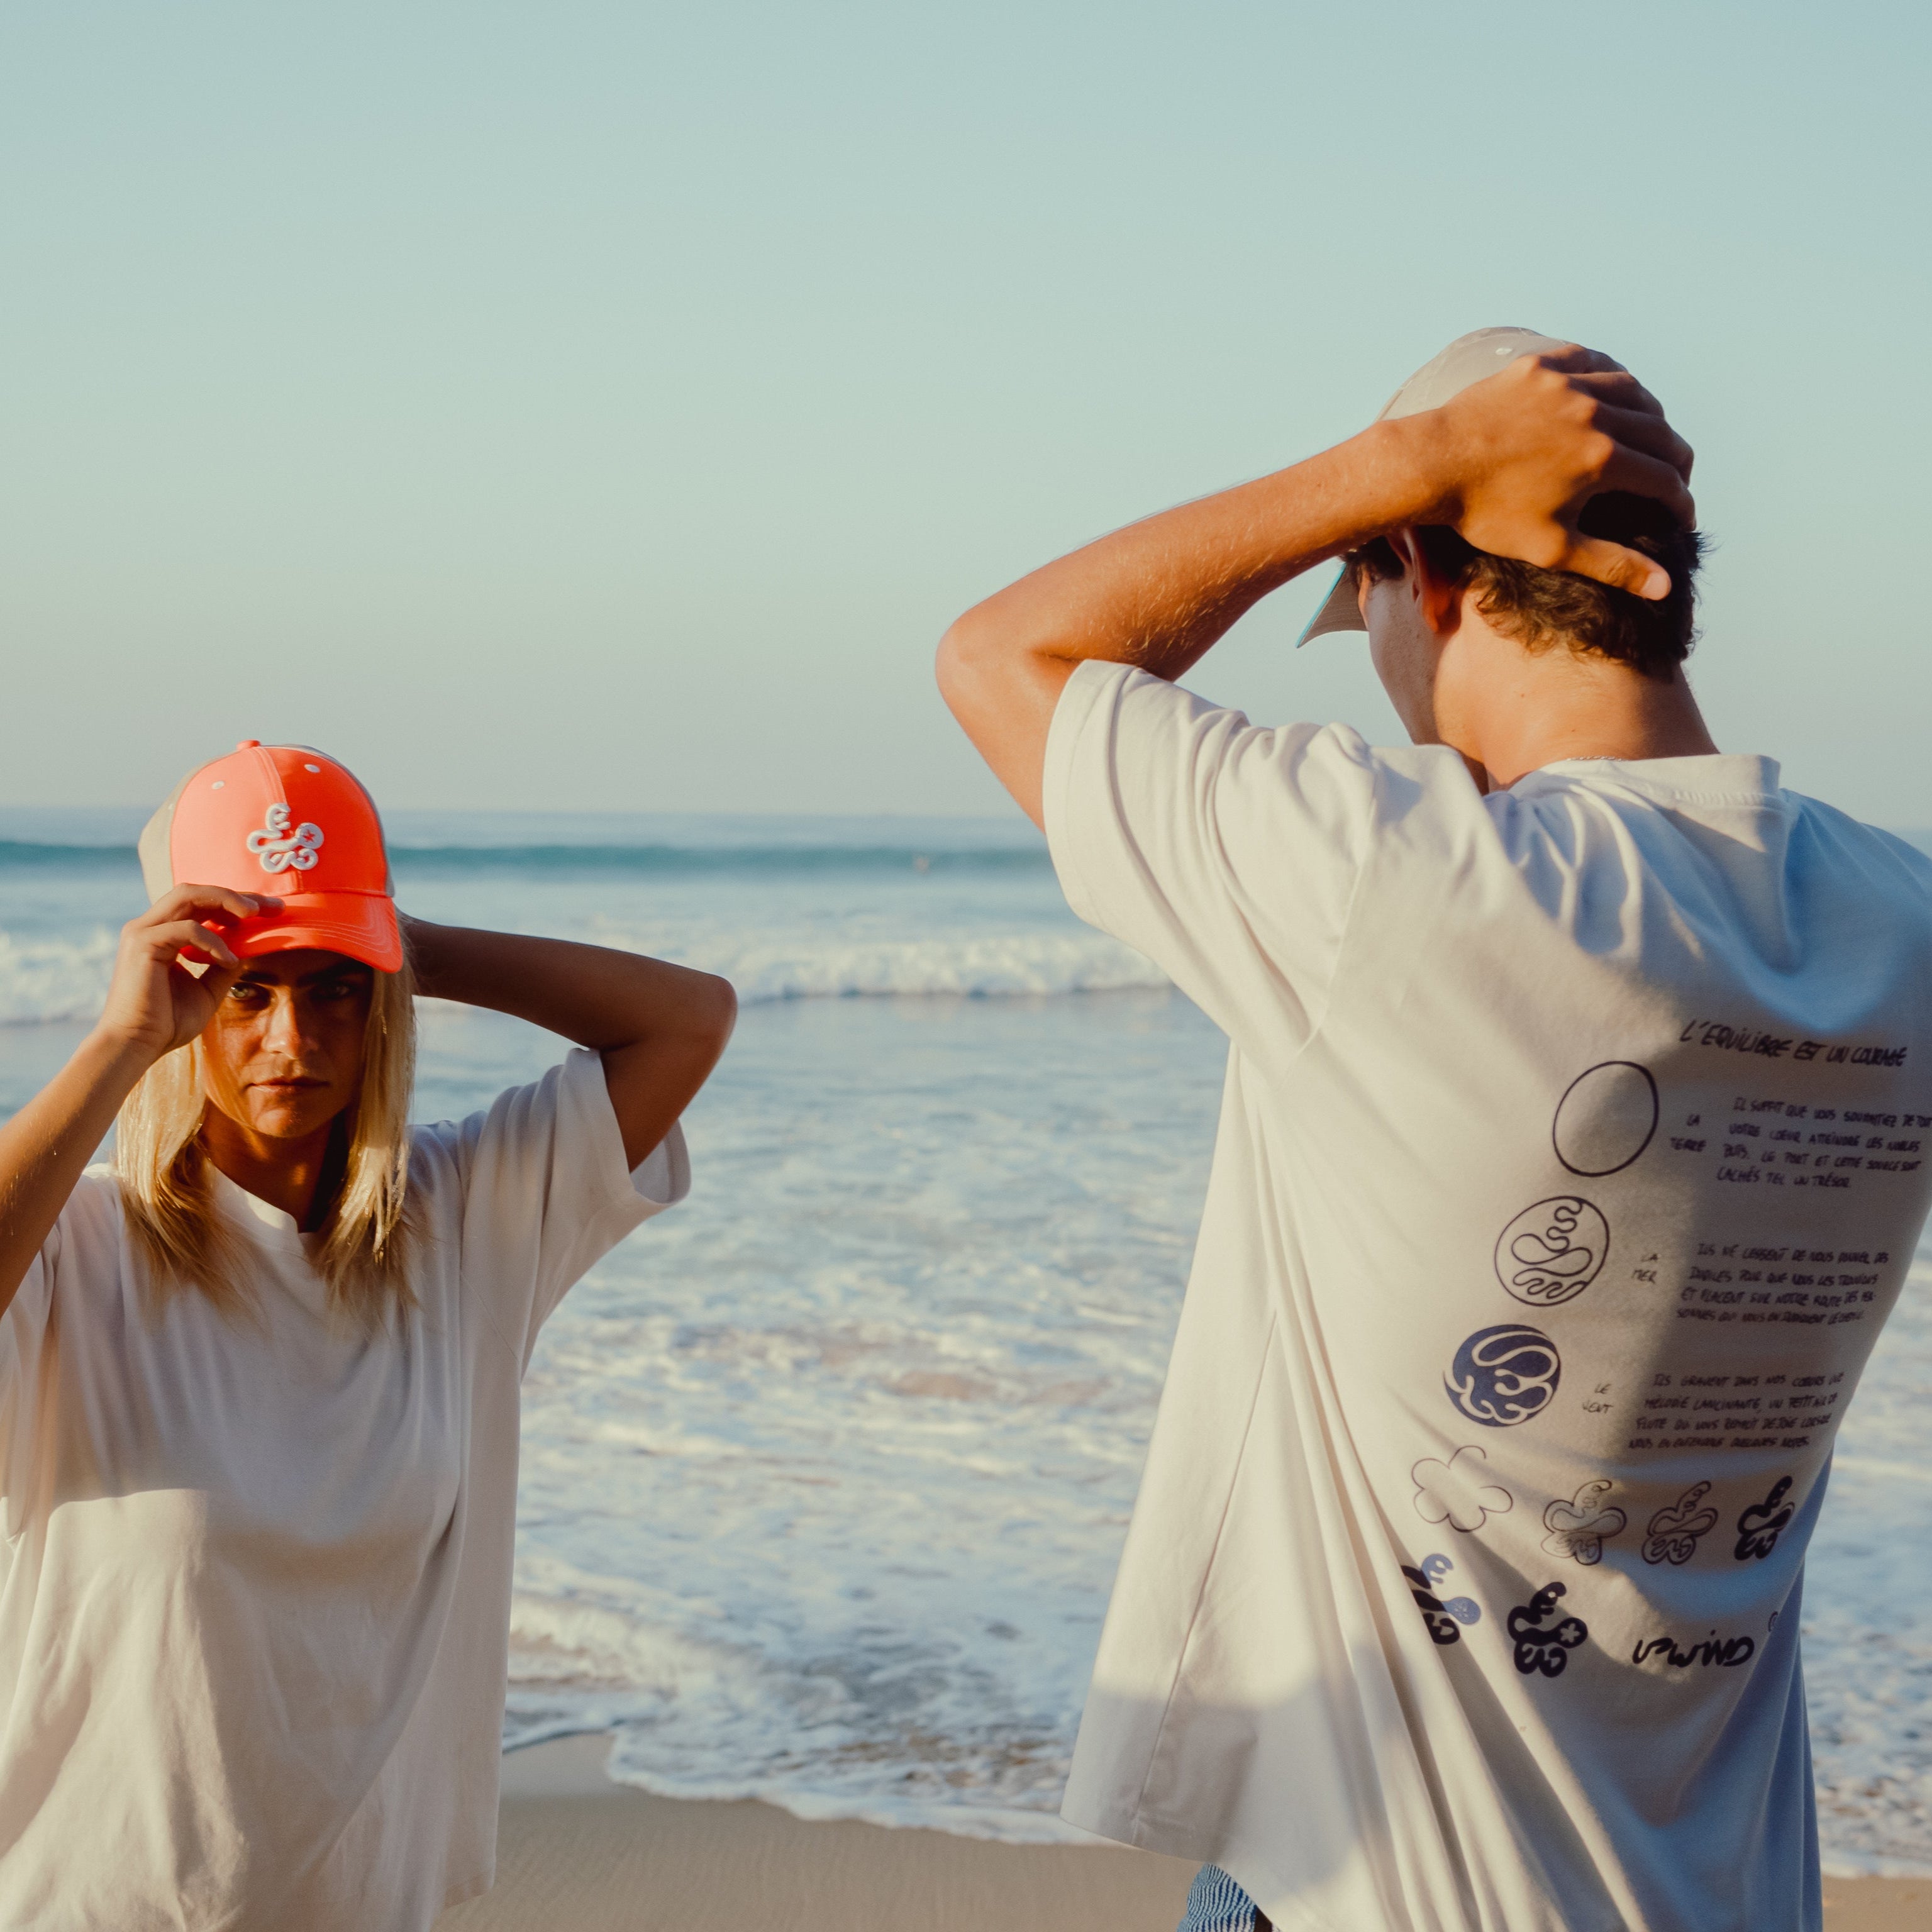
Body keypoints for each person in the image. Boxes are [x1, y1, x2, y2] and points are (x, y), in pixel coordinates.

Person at [936, 328, 1932, 1932]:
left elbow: (1005, 656)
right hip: (1727, 1887)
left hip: (1387, 1887)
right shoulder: (1902, 925)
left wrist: (1399, 463)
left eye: (1368, 598)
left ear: (1421, 568)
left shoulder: (1406, 879)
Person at [0, 740, 735, 1928]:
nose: (292, 1039)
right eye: (248, 989)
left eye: (335, 986)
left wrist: (391, 937)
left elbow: (688, 1020)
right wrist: (117, 1045)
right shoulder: (76, 1252)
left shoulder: (465, 1223)